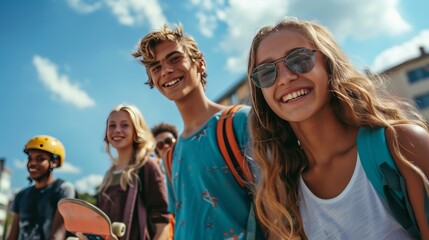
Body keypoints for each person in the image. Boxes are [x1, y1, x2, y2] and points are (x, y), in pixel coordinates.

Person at [247, 17, 429, 239]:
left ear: (329, 65)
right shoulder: (280, 200)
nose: (285, 78)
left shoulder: (402, 146)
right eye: (266, 72)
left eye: (299, 59)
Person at [133, 24, 260, 239]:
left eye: (174, 58)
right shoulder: (170, 157)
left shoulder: (240, 121)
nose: (166, 70)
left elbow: (278, 208)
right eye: (156, 67)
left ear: (200, 64)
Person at [97, 104, 170, 240]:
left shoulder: (147, 167)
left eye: (125, 125)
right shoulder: (108, 175)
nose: (117, 130)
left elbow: (162, 223)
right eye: (112, 125)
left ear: (137, 130)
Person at [8, 135, 76, 240]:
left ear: (54, 162)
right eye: (30, 159)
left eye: (40, 159)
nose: (32, 163)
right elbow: (12, 236)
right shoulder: (20, 195)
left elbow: (57, 236)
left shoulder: (63, 189)